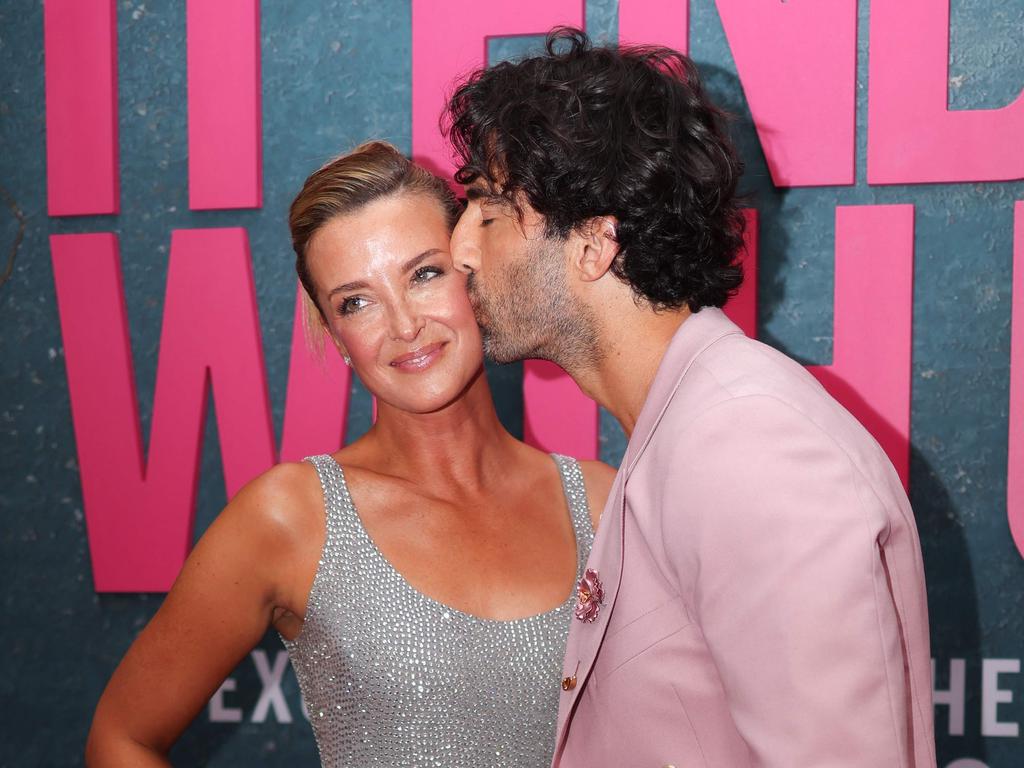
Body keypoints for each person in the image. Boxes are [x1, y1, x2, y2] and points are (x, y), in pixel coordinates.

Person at [445, 28, 936, 768]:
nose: (458, 250)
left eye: (486, 211)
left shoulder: (748, 445)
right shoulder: (688, 426)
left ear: (593, 242)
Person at [85, 141, 615, 767]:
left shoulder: (604, 503)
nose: (403, 325)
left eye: (424, 273)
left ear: (473, 270)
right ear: (336, 336)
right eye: (355, 302)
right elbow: (121, 738)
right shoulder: (292, 517)